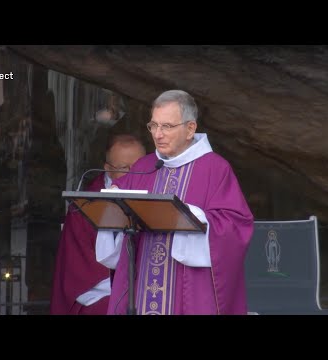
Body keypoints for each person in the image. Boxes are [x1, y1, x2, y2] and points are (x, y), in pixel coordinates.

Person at [96, 90, 254, 315]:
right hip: (142, 285)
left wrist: (193, 216)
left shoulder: (215, 169)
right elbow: (119, 212)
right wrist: (112, 200)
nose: (158, 134)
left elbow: (237, 226)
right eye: (153, 126)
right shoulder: (145, 166)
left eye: (167, 127)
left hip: (187, 291)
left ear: (190, 129)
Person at [50, 134, 146, 315]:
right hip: (101, 294)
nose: (134, 173)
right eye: (125, 168)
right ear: (108, 170)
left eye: (140, 166)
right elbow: (80, 271)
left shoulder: (157, 197)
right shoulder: (85, 206)